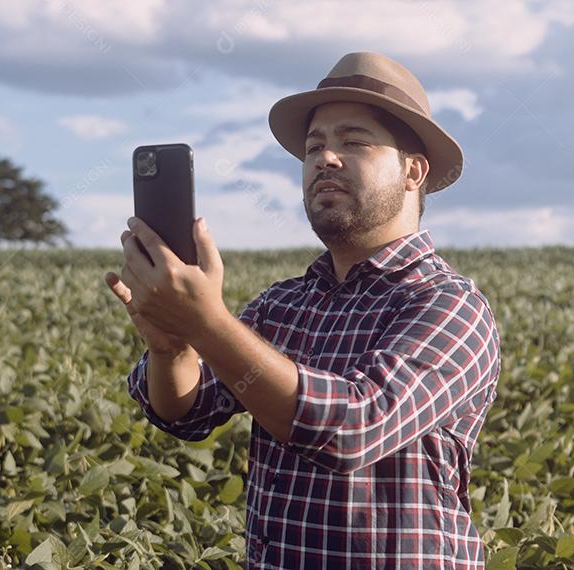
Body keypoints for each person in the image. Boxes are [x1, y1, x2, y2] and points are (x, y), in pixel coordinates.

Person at [105, 51, 501, 568]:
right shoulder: (283, 304)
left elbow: (356, 427)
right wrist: (171, 346)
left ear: (413, 171)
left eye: (353, 141)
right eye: (315, 146)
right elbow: (186, 411)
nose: (325, 158)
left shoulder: (448, 304)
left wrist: (208, 321)